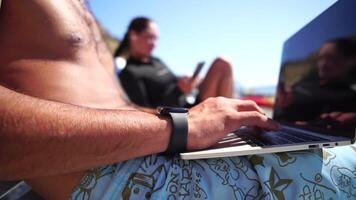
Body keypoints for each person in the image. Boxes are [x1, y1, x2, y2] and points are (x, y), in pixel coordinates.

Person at [0, 1, 355, 199]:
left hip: (147, 144)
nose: (154, 43)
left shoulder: (86, 10)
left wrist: (195, 121)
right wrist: (181, 125)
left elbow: (115, 104)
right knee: (341, 162)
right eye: (149, 37)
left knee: (316, 144)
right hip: (114, 168)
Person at [115, 17, 235, 108]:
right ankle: (229, 121)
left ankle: (229, 119)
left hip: (190, 100)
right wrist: (179, 91)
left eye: (156, 38)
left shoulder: (157, 61)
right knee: (221, 63)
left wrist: (192, 81)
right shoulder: (130, 73)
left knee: (223, 63)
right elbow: (145, 113)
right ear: (133, 35)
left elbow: (173, 82)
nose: (154, 43)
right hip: (183, 114)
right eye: (149, 37)